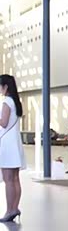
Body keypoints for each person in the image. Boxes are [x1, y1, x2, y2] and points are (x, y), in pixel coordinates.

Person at [0, 74, 25, 223]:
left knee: (8, 179)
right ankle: (15, 208)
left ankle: (9, 210)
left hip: (7, 144)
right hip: (15, 141)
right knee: (15, 178)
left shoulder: (6, 102)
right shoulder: (15, 101)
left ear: (5, 87)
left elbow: (3, 123)